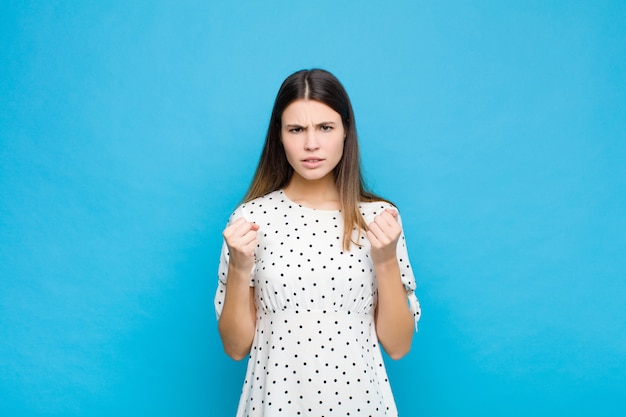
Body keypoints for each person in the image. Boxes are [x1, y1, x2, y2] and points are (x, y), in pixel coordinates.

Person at [214, 68, 421, 417]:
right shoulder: (251, 220)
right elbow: (236, 348)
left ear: (345, 131)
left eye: (325, 128)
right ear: (279, 136)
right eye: (296, 129)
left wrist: (385, 259)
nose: (312, 144)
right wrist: (239, 266)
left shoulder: (380, 219)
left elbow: (398, 346)